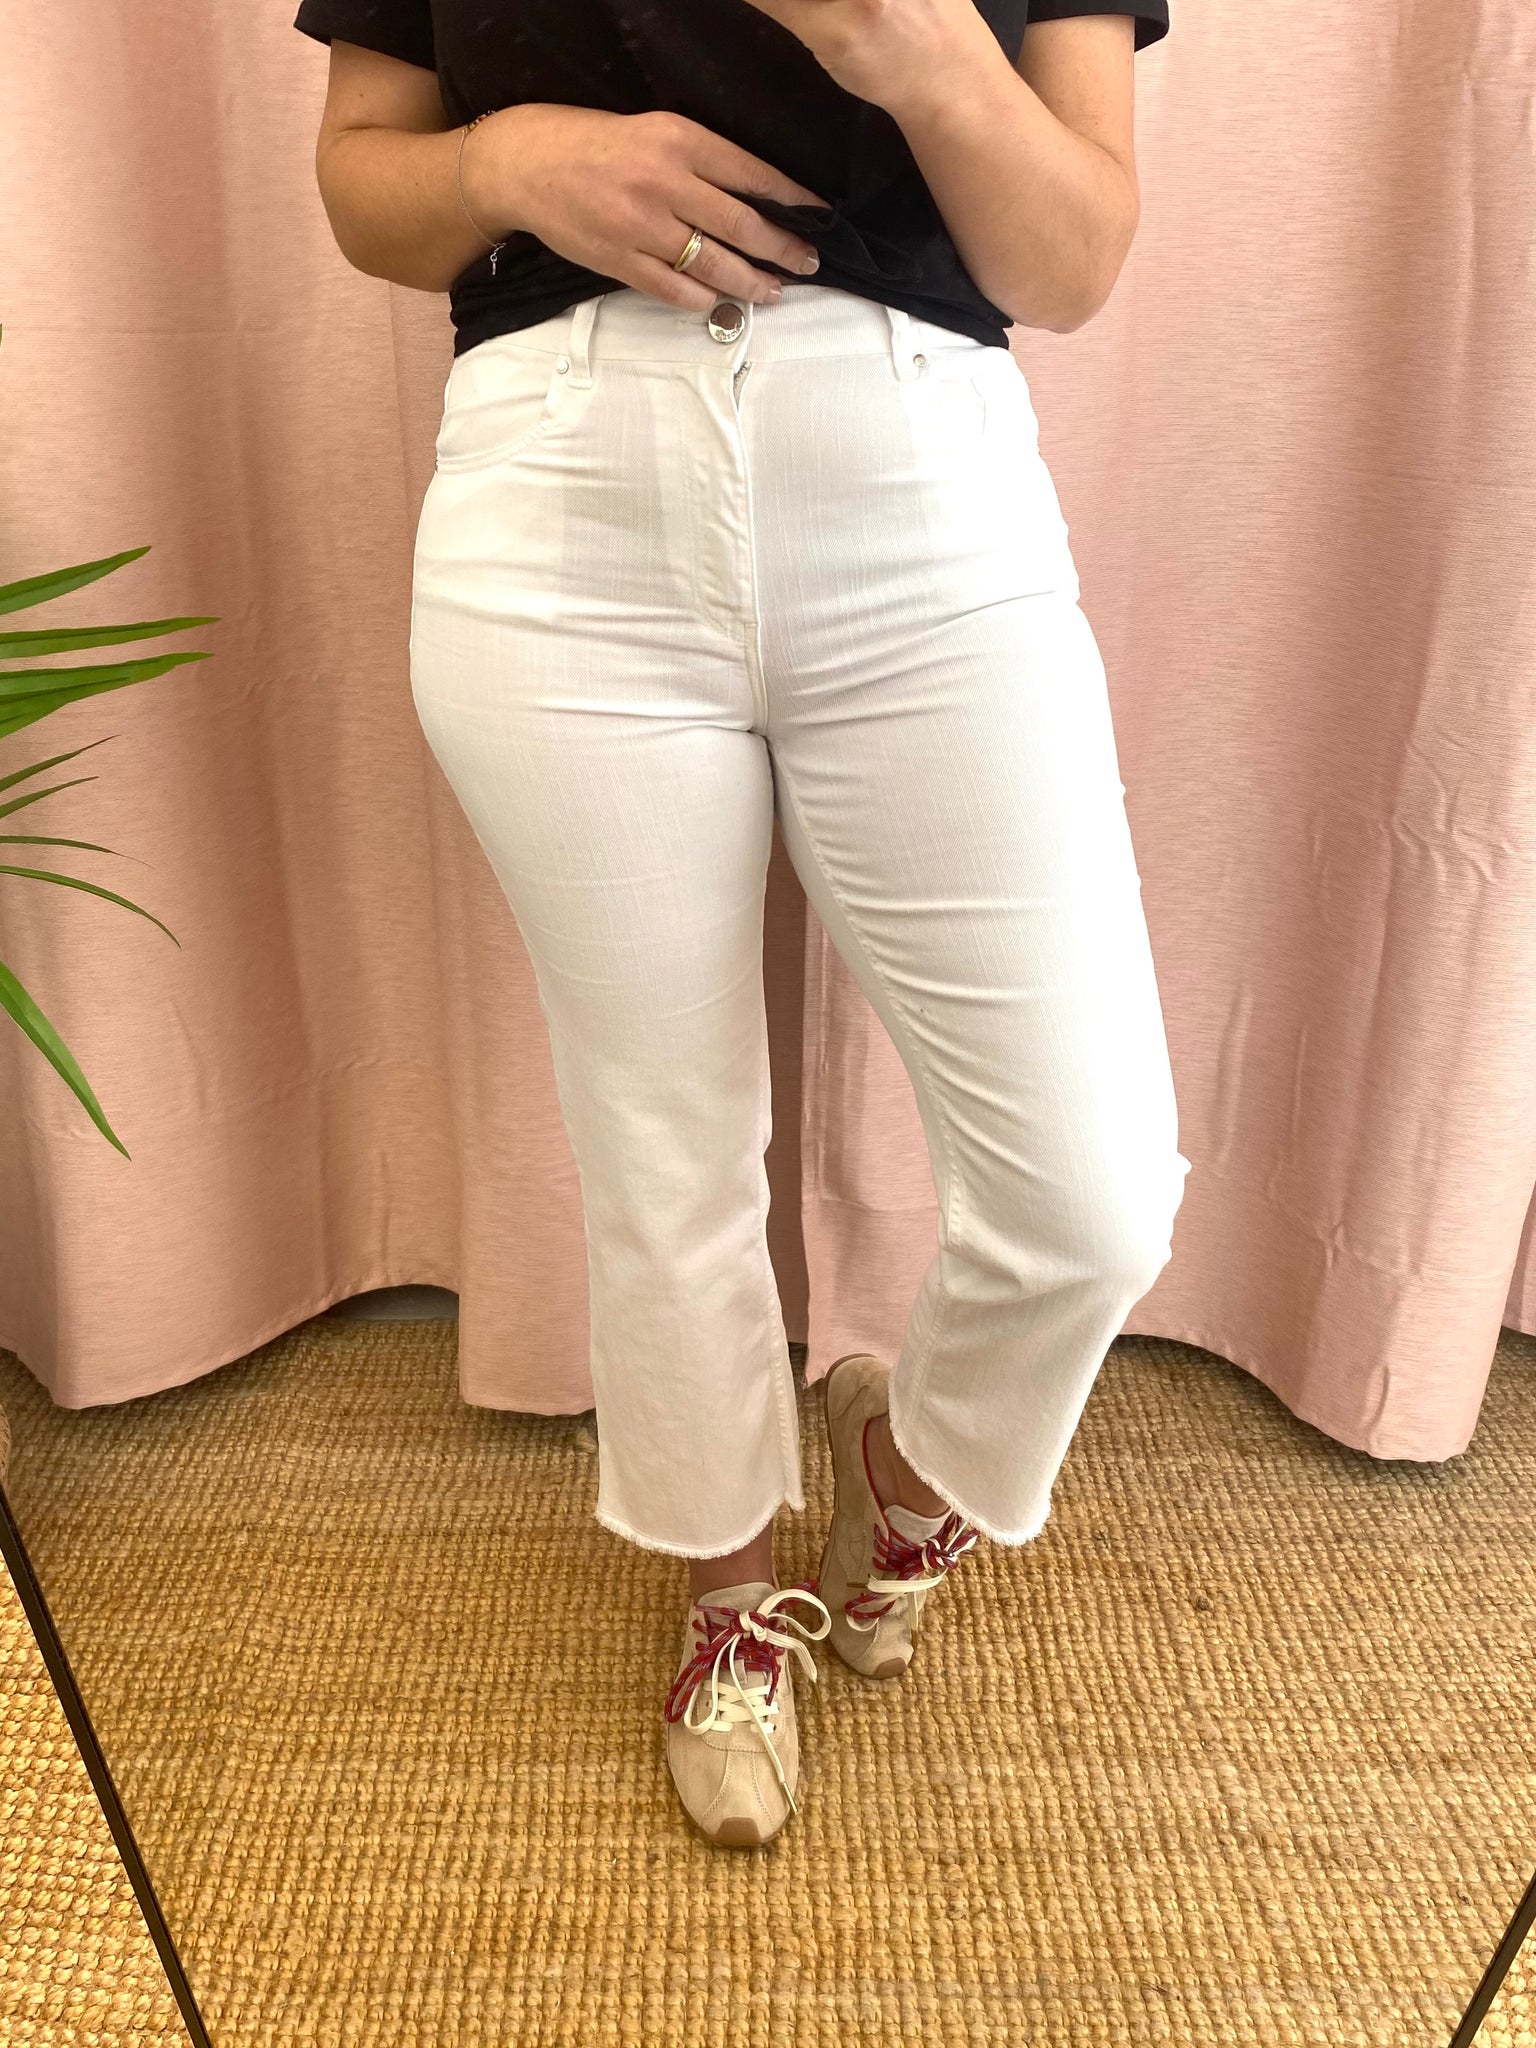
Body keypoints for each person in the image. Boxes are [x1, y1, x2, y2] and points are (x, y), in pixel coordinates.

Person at [294, 0, 1190, 1851]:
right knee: (665, 1145)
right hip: (559, 507)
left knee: (1091, 1197)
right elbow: (365, 191)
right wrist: (506, 163)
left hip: (923, 500)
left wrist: (918, 50)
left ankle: (903, 1469)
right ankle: (726, 1594)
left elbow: (1073, 258)